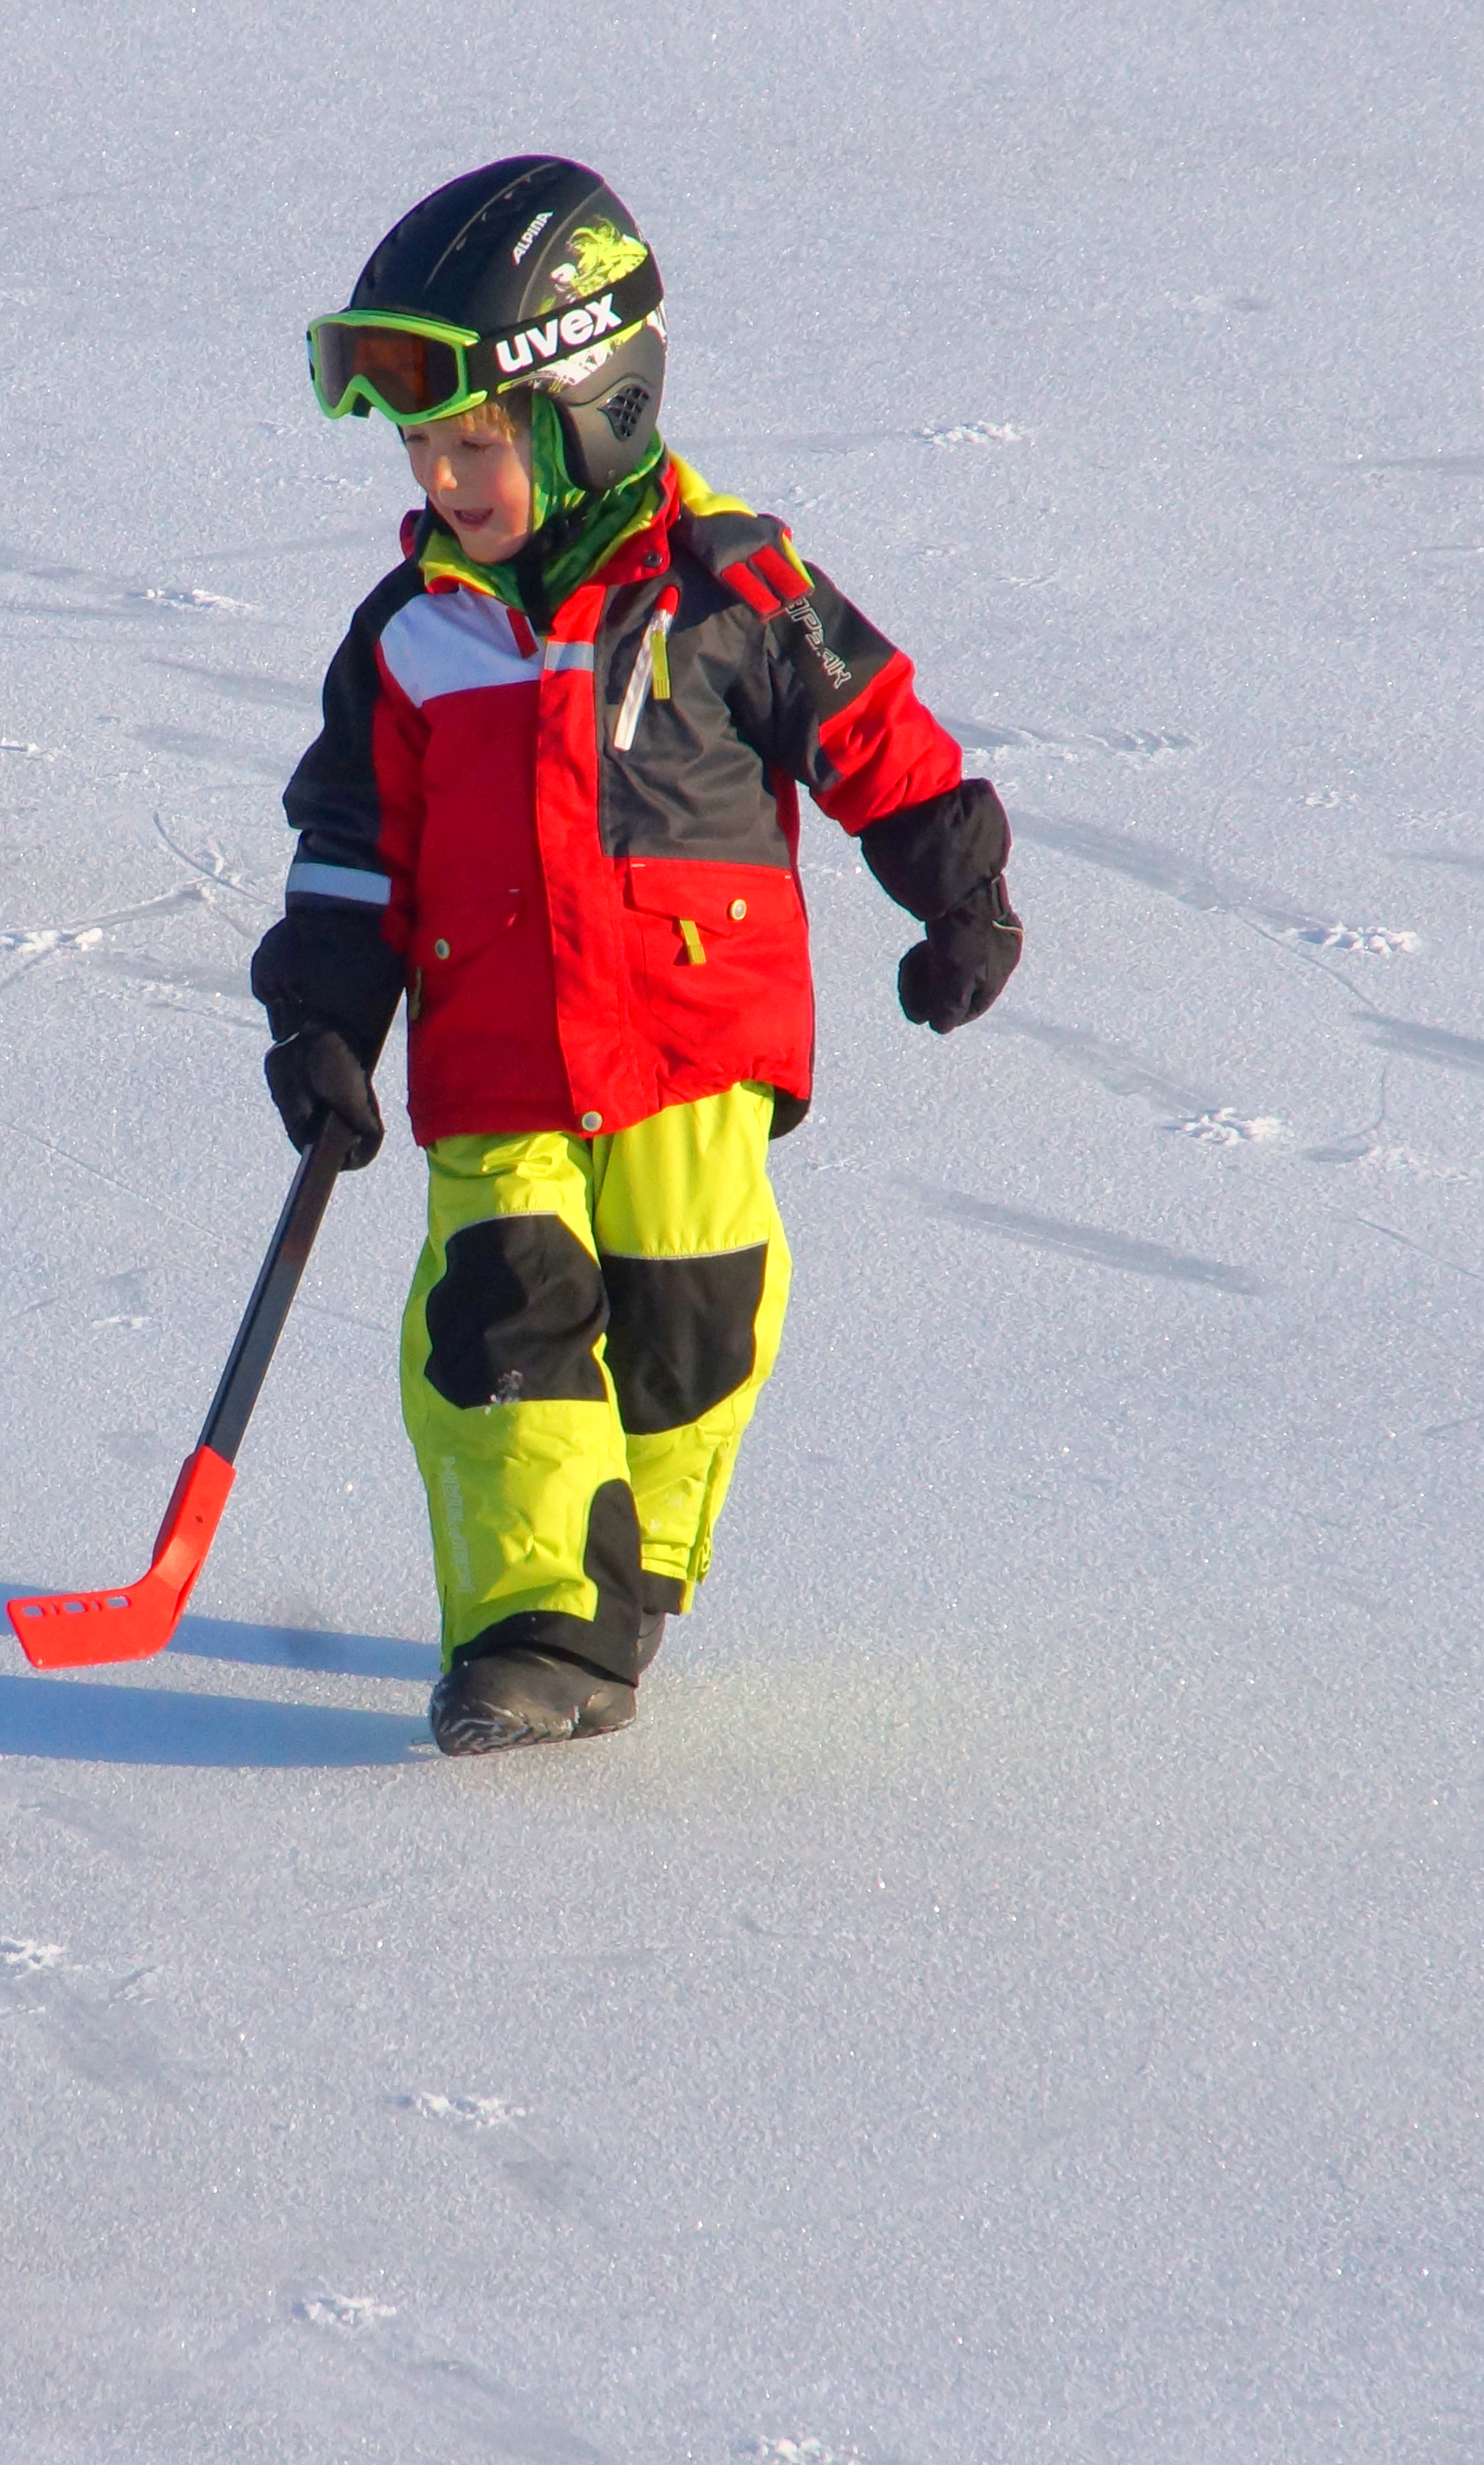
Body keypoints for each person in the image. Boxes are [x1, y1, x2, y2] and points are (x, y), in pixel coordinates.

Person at [258, 158, 1021, 1758]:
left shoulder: (731, 589)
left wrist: (957, 885)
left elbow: (870, 732)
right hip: (499, 1063)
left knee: (691, 1323)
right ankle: (537, 1624)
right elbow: (347, 856)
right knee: (495, 1326)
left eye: (475, 442)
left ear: (597, 405)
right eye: (421, 447)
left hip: (693, 1047)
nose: (444, 480)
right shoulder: (411, 635)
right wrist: (325, 1021)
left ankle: (632, 1571)